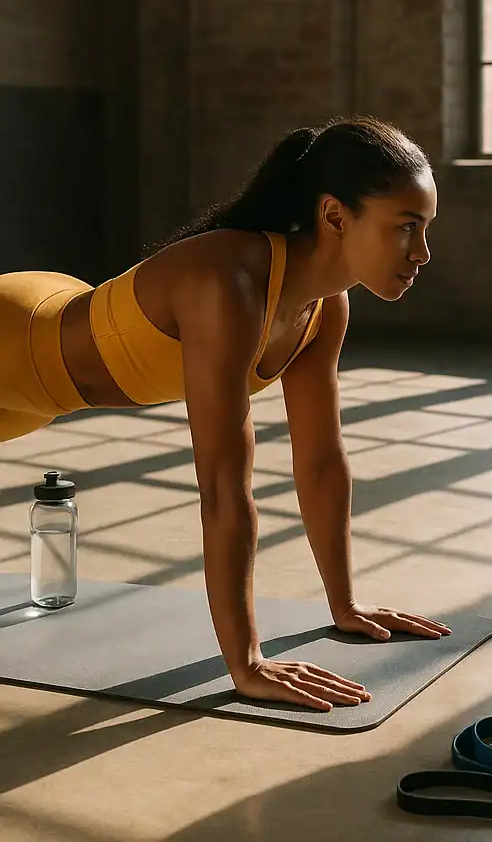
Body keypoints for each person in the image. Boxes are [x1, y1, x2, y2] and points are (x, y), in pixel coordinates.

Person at [0, 115, 451, 712]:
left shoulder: (325, 308)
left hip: (43, 398)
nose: (422, 253)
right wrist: (247, 664)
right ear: (336, 216)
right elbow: (222, 487)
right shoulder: (226, 282)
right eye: (406, 227)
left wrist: (344, 605)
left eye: (425, 229)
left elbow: (319, 461)